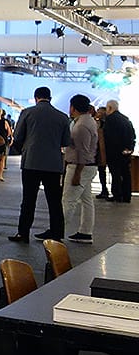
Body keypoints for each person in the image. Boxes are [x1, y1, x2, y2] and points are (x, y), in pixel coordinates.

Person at [8, 87, 72, 243]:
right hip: (53, 164)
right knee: (54, 201)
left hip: (31, 162)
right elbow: (65, 142)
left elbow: (17, 136)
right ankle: (56, 234)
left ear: (36, 97)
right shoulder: (63, 117)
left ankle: (23, 233)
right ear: (49, 97)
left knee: (28, 200)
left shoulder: (27, 113)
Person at [63, 94, 99, 243]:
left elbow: (83, 152)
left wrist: (77, 173)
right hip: (88, 166)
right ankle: (85, 231)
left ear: (73, 107)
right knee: (86, 200)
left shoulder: (81, 125)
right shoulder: (88, 121)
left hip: (79, 167)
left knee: (68, 200)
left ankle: (57, 230)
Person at [101, 99, 135, 203]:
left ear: (110, 108)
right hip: (126, 152)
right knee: (126, 174)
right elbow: (132, 135)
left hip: (114, 152)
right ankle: (126, 195)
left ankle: (117, 195)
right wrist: (129, 148)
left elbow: (109, 137)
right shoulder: (125, 119)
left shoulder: (110, 120)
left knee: (115, 174)